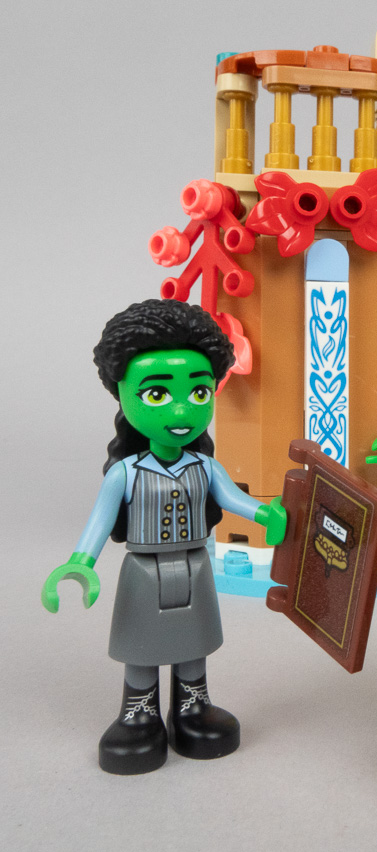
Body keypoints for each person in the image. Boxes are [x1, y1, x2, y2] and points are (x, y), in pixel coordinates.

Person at [43, 299, 287, 774]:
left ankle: (193, 707)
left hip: (195, 565)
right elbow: (99, 521)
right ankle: (139, 714)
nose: (181, 409)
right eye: (157, 393)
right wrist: (79, 563)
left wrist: (269, 515)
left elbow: (235, 500)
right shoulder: (126, 473)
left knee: (193, 643)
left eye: (198, 392)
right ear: (123, 394)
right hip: (144, 571)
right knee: (142, 645)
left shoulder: (204, 466)